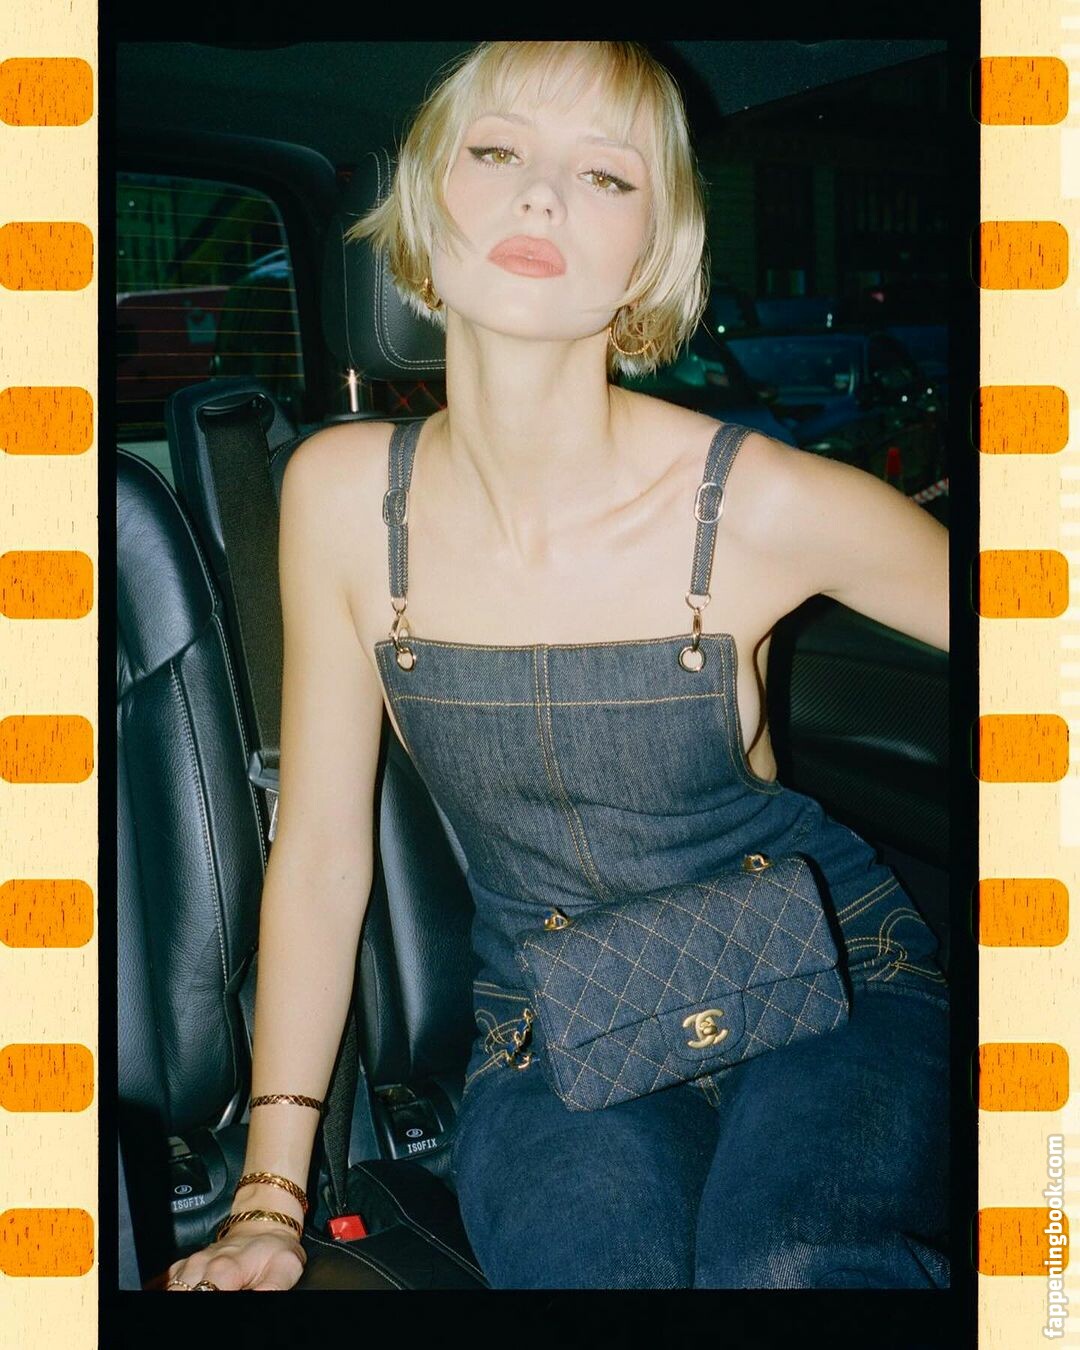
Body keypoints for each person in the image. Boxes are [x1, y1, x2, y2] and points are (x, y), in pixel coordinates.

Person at [165, 40, 950, 1293]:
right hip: (553, 1017)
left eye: (605, 175)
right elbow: (317, 858)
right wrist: (268, 1197)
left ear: (655, 247)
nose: (541, 196)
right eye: (498, 151)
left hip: (834, 974)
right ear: (428, 206)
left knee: (791, 1260)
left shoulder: (764, 501)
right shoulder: (341, 496)